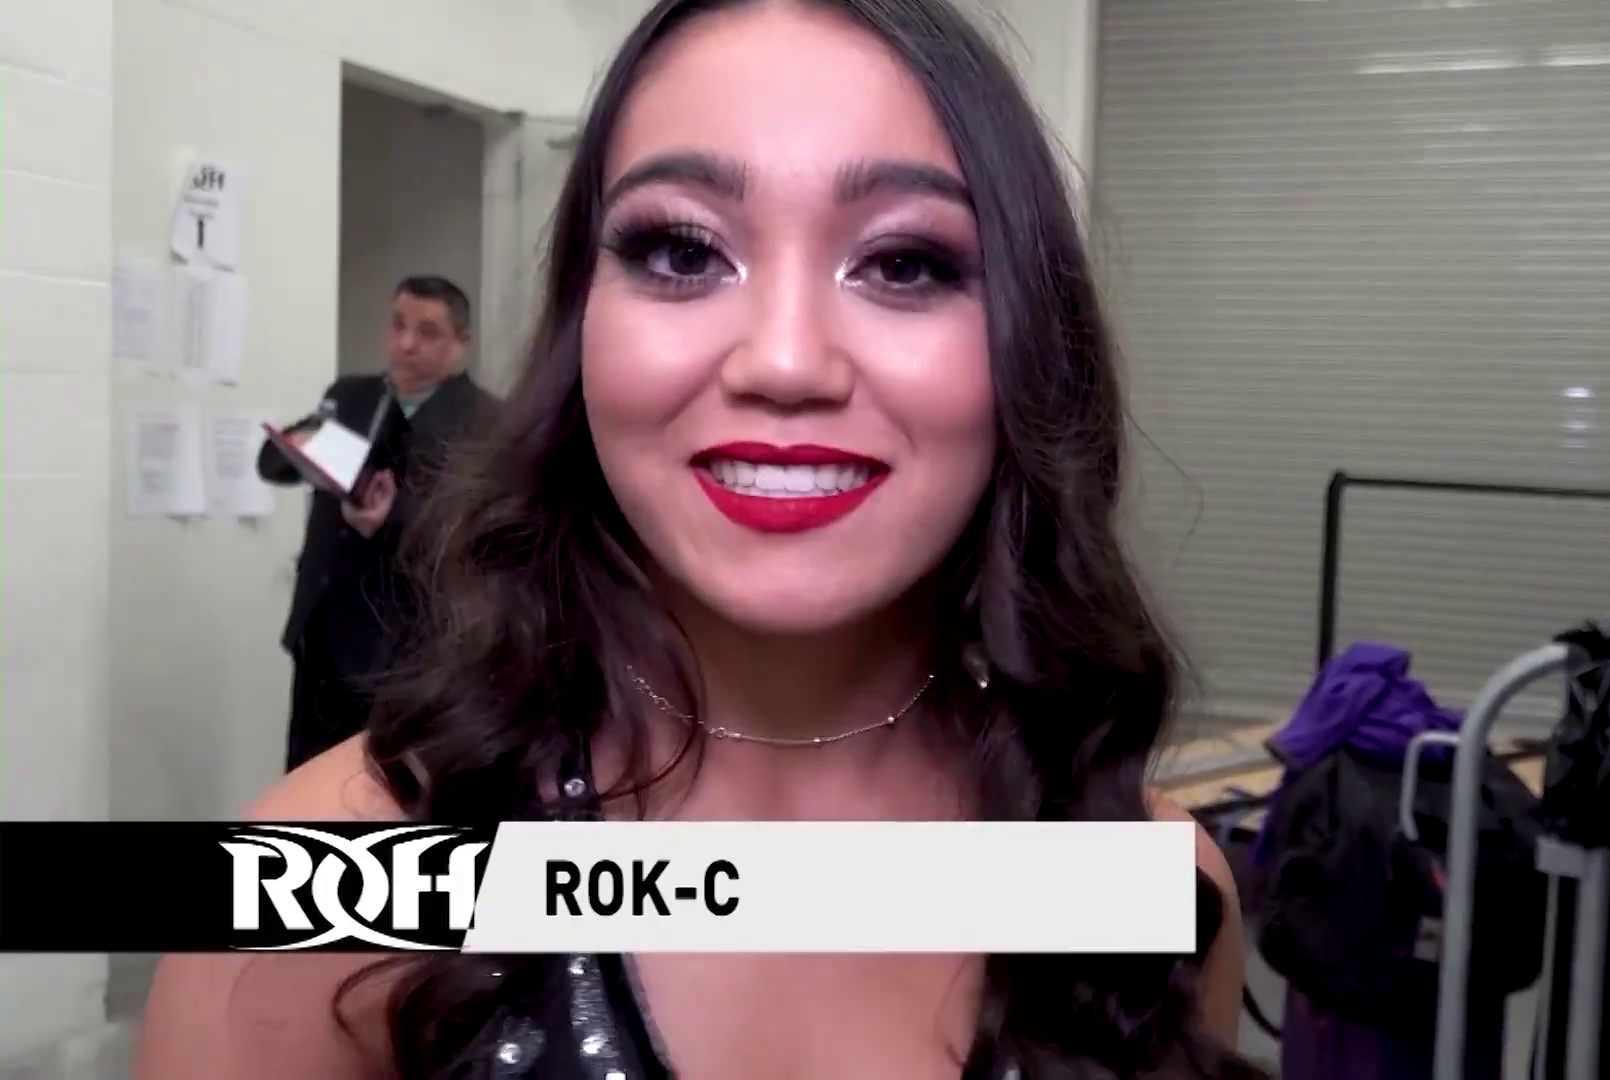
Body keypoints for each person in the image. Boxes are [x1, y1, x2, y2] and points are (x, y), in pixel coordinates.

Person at [137, 2, 1259, 1078]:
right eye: (681, 252)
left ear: (1028, 344)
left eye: (904, 263)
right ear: (580, 334)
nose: (784, 362)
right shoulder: (319, 888)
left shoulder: (1155, 895)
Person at [256, 276, 496, 772]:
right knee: (309, 780)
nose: (406, 344)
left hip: (414, 650)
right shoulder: (351, 398)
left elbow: (482, 528)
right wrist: (297, 448)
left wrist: (395, 516)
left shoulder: (486, 422)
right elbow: (272, 465)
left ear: (461, 343)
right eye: (398, 325)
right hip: (324, 636)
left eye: (427, 332)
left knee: (387, 787)